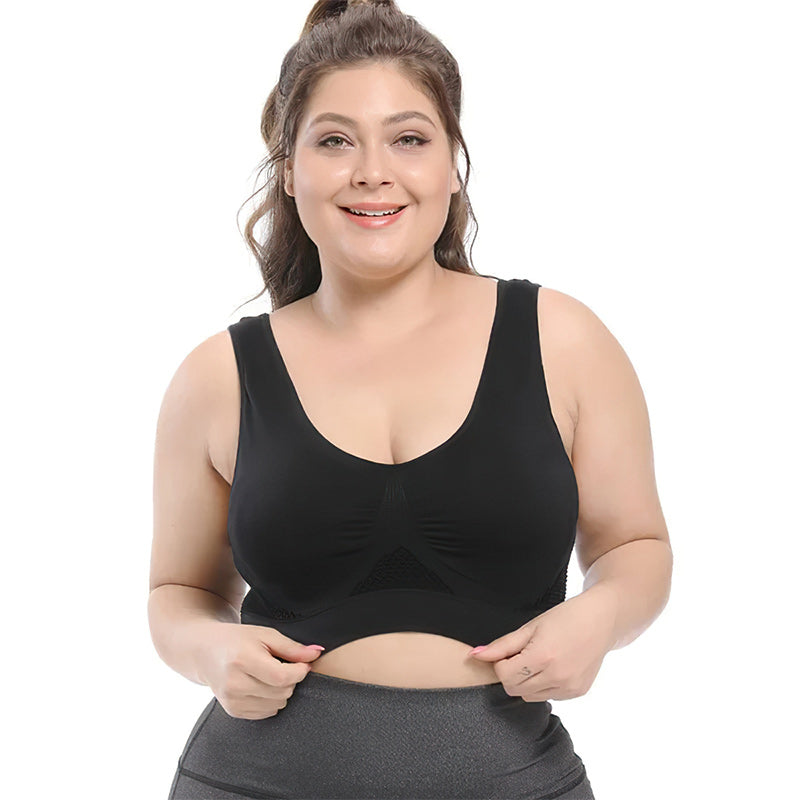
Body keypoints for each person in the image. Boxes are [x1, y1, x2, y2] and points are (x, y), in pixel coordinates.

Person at [148, 2, 673, 798]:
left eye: (409, 138)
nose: (372, 171)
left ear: (453, 164)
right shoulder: (216, 377)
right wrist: (209, 651)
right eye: (334, 140)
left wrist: (599, 620)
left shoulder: (563, 342)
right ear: (288, 170)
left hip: (512, 781)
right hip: (250, 781)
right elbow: (177, 594)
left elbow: (637, 546)